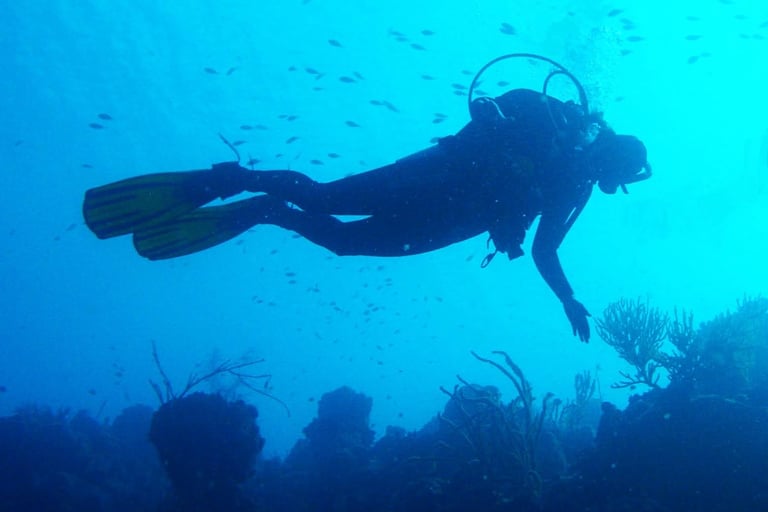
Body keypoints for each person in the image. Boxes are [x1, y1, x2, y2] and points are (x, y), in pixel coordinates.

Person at [82, 55, 651, 342]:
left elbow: (545, 250)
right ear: (612, 155)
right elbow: (487, 110)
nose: (610, 185)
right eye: (617, 177)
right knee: (325, 198)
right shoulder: (551, 118)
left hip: (451, 218)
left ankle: (265, 209)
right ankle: (238, 180)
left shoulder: (576, 187)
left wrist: (567, 298)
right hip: (435, 178)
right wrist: (499, 147)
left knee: (342, 242)